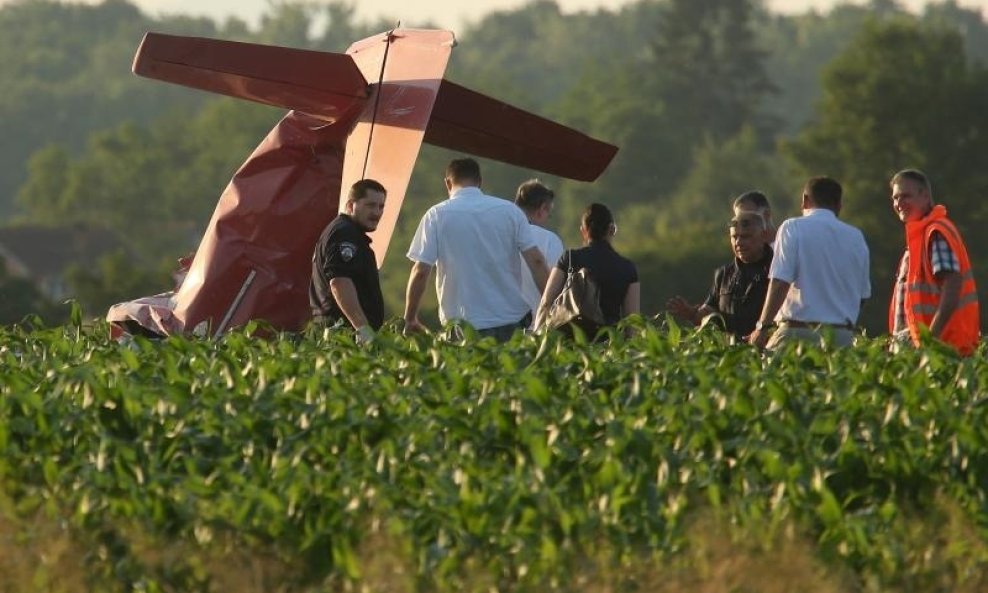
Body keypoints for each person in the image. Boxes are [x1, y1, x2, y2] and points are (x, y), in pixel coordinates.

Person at [404, 157, 549, 342]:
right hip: (511, 321)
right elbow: (536, 262)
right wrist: (549, 305)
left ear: (448, 183)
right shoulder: (510, 211)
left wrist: (410, 318)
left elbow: (421, 271)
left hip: (463, 326)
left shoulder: (436, 215)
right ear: (480, 181)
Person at [750, 177, 870, 350]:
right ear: (839, 206)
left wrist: (763, 326)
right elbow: (862, 296)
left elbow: (780, 282)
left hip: (798, 333)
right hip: (841, 337)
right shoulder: (856, 237)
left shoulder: (792, 227)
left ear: (805, 200)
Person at [888, 169, 979, 355]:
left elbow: (953, 283)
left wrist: (930, 339)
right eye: (895, 198)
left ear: (925, 196)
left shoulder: (935, 233)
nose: (899, 203)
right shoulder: (918, 239)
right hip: (921, 345)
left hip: (943, 347)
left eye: (906, 196)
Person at [666, 211, 772, 343]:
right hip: (731, 353)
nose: (738, 242)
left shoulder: (778, 269)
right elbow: (709, 311)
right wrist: (691, 314)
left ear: (764, 236)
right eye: (734, 237)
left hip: (768, 347)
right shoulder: (724, 274)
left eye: (746, 237)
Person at [535, 203, 639, 330]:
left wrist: (537, 338)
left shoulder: (570, 258)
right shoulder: (627, 268)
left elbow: (546, 302)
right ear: (612, 230)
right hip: (609, 342)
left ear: (583, 231)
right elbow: (632, 319)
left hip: (571, 340)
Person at [309, 179, 387, 344]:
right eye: (370, 205)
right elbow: (339, 282)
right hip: (342, 336)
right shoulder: (345, 233)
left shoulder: (347, 232)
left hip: (341, 333)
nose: (377, 213)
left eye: (381, 207)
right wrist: (362, 328)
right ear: (351, 205)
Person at [514, 179, 564, 325]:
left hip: (501, 326)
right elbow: (559, 287)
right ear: (542, 209)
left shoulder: (500, 233)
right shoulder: (550, 240)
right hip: (537, 325)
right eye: (549, 214)